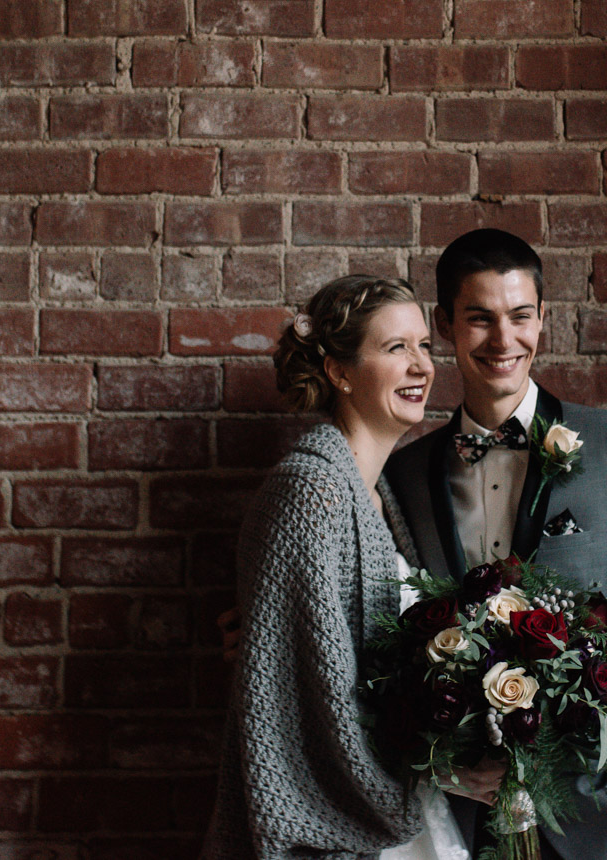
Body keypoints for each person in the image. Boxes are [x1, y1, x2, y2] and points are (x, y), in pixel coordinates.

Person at [384, 229, 607, 860]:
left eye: (520, 316)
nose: (504, 341)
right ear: (445, 325)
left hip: (606, 824)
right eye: (479, 319)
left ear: (542, 319)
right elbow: (383, 641)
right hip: (462, 826)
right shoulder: (403, 477)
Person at [201, 275, 478, 860]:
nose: (421, 366)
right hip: (351, 826)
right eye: (395, 348)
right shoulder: (311, 492)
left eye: (424, 345)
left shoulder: (383, 495)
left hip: (404, 814)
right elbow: (303, 705)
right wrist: (442, 775)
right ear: (339, 372)